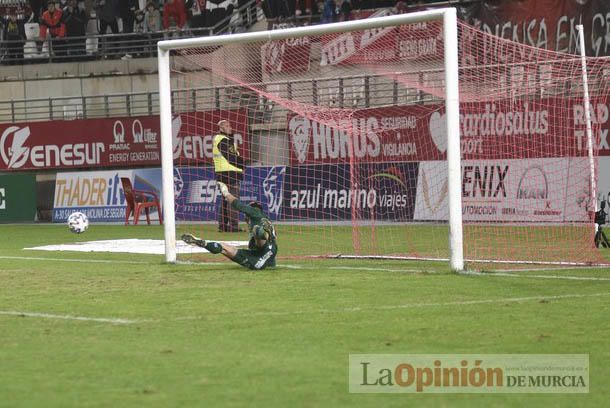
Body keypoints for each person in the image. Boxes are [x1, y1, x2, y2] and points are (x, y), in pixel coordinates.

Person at [182, 181, 278, 270]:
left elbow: (238, 205)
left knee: (256, 231)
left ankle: (265, 234)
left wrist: (225, 192)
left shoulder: (255, 212)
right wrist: (271, 264)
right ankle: (203, 243)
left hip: (259, 258)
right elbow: (271, 250)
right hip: (263, 254)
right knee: (223, 247)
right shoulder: (265, 220)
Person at [213, 119, 245, 232]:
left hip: (221, 173)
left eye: (230, 125)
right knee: (233, 200)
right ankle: (234, 226)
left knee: (225, 200)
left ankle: (223, 226)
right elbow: (230, 157)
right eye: (227, 126)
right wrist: (242, 164)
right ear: (221, 128)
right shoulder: (223, 140)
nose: (230, 127)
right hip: (229, 174)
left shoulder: (223, 139)